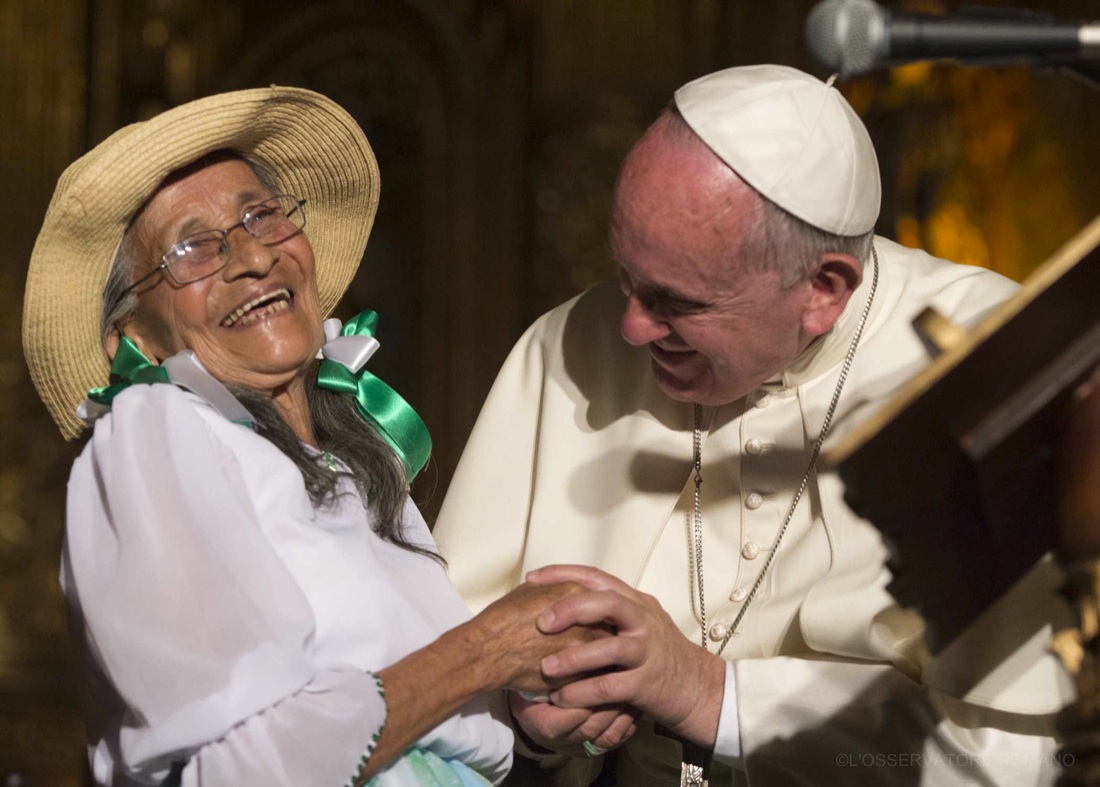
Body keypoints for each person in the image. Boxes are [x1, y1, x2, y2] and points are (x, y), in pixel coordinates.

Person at [433, 64, 1074, 785]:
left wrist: (711, 694)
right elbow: (449, 660)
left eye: (677, 302)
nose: (631, 327)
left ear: (823, 290)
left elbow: (1037, 754)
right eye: (624, 276)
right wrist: (530, 711)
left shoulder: (999, 371)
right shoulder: (573, 343)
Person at [22, 87, 608, 787]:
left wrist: (538, 709)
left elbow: (417, 711)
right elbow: (239, 768)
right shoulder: (154, 431)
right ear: (134, 337)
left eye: (259, 215)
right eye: (190, 247)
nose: (250, 256)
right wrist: (487, 649)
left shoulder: (349, 456)